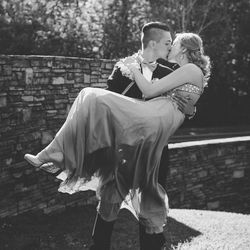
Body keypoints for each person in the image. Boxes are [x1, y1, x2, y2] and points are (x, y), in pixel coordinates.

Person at [24, 32, 211, 250]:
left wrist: (133, 69)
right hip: (152, 122)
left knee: (90, 97)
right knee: (117, 179)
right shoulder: (185, 71)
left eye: (175, 44)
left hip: (153, 119)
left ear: (185, 50)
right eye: (168, 43)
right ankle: (59, 157)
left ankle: (54, 156)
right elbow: (184, 102)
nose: (171, 48)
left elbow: (150, 90)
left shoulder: (189, 69)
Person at [90, 21, 196, 250]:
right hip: (122, 151)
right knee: (109, 202)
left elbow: (180, 112)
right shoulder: (122, 69)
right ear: (152, 43)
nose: (170, 48)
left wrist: (188, 110)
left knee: (151, 208)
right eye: (167, 43)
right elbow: (109, 105)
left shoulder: (171, 72)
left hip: (156, 153)